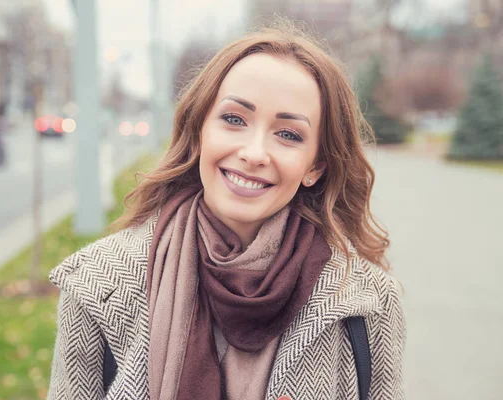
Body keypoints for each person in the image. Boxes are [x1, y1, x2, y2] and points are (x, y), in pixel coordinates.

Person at [47, 20, 406, 400]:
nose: (253, 153)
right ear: (200, 131)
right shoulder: (98, 282)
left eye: (288, 134)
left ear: (315, 167)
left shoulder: (368, 302)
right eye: (234, 119)